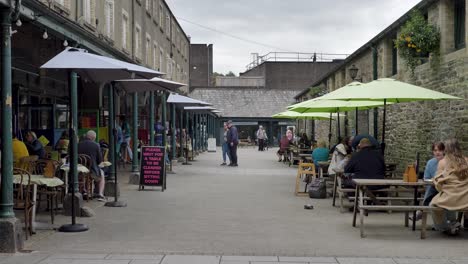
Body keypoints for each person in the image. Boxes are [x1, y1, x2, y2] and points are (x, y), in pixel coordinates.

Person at [430, 138, 468, 235]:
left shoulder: (443, 162)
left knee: (433, 204)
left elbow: (438, 183)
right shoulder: (467, 161)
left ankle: (446, 227)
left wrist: (442, 189)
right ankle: (454, 223)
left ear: (447, 149)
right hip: (466, 198)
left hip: (450, 197)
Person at [78, 130, 106, 201]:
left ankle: (84, 190)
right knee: (102, 173)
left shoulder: (78, 145)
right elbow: (100, 161)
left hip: (79, 170)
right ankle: (100, 194)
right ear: (93, 138)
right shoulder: (96, 145)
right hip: (92, 171)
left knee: (84, 175)